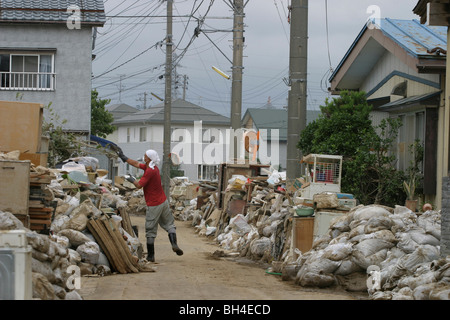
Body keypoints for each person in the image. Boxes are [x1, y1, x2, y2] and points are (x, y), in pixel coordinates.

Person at [113, 146, 183, 262]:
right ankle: (174, 244)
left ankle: (151, 256)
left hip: (154, 204)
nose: (144, 158)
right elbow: (136, 163)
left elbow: (139, 185)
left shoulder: (149, 171)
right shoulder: (153, 167)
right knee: (169, 224)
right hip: (163, 201)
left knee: (150, 229)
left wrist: (131, 180)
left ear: (150, 158)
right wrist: (123, 157)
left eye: (146, 156)